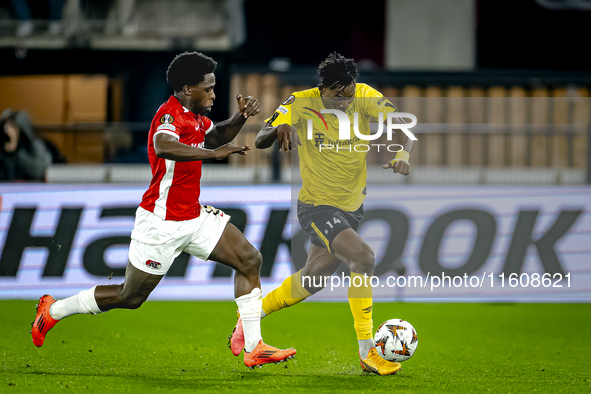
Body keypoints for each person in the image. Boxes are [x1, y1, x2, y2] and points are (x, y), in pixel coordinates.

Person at [31, 51, 296, 369]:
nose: (213, 95)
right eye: (208, 89)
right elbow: (163, 145)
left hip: (193, 216)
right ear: (187, 89)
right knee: (130, 297)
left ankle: (254, 347)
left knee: (249, 259)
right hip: (161, 222)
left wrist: (240, 118)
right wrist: (213, 155)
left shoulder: (196, 116)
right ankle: (53, 310)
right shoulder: (169, 116)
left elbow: (214, 137)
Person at [228, 52, 415, 375]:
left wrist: (402, 153)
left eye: (349, 93)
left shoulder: (365, 96)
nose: (345, 101)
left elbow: (402, 127)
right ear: (323, 89)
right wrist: (280, 126)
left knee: (313, 279)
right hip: (316, 207)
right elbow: (260, 139)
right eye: (337, 96)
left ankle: (250, 319)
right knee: (363, 258)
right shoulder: (301, 102)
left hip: (352, 207)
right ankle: (367, 351)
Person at [0, 109, 52, 181]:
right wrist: (9, 152)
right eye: (6, 127)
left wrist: (18, 152)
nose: (8, 131)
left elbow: (38, 172)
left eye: (12, 126)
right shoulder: (3, 147)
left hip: (32, 189)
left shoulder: (36, 145)